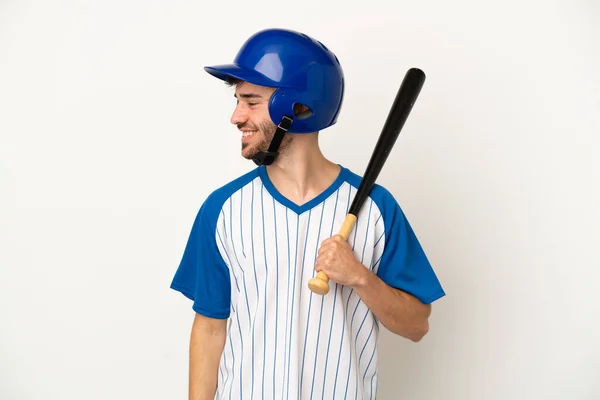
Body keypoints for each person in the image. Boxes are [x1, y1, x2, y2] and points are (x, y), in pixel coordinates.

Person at [170, 28, 445, 400]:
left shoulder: (377, 209)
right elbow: (209, 328)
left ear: (297, 107)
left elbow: (417, 326)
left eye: (251, 101)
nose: (236, 116)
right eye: (237, 101)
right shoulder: (223, 209)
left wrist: (360, 277)